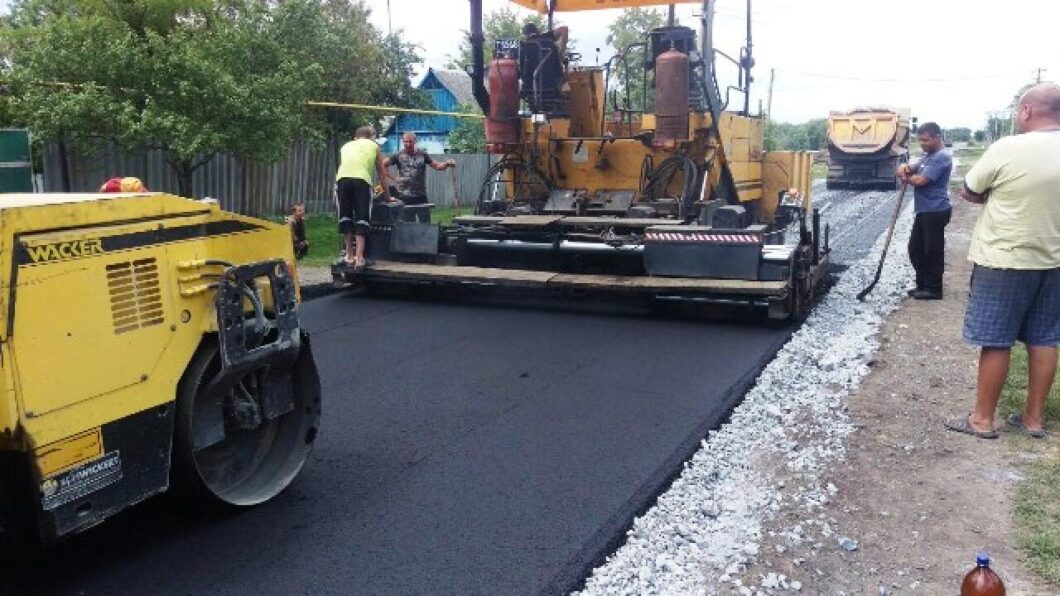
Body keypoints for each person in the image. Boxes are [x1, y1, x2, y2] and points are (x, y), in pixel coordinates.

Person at [944, 83, 1060, 439]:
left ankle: (981, 420)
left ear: (1026, 111)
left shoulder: (1008, 147)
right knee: (1045, 338)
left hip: (1005, 259)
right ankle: (1033, 419)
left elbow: (971, 190)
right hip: (1054, 259)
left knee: (997, 339)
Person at [896, 122, 953, 300]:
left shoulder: (941, 157)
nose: (922, 144)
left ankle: (934, 289)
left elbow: (921, 180)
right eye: (920, 140)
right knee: (916, 249)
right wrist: (903, 168)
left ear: (937, 137)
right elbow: (912, 168)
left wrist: (906, 177)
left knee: (932, 251)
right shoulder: (928, 155)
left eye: (926, 140)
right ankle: (922, 284)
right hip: (924, 211)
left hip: (935, 211)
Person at [335, 126, 389, 269]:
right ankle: (360, 258)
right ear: (371, 137)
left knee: (345, 217)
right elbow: (382, 175)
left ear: (356, 137)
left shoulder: (345, 146)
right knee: (362, 218)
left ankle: (349, 256)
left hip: (342, 180)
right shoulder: (374, 146)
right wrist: (388, 197)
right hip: (361, 181)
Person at [385, 132, 455, 206]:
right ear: (403, 142)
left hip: (420, 195)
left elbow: (437, 166)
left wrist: (447, 163)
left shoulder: (422, 154)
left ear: (415, 141)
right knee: (406, 218)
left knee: (424, 218)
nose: (408, 144)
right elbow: (383, 165)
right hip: (404, 195)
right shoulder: (398, 155)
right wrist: (393, 178)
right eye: (406, 142)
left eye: (410, 141)